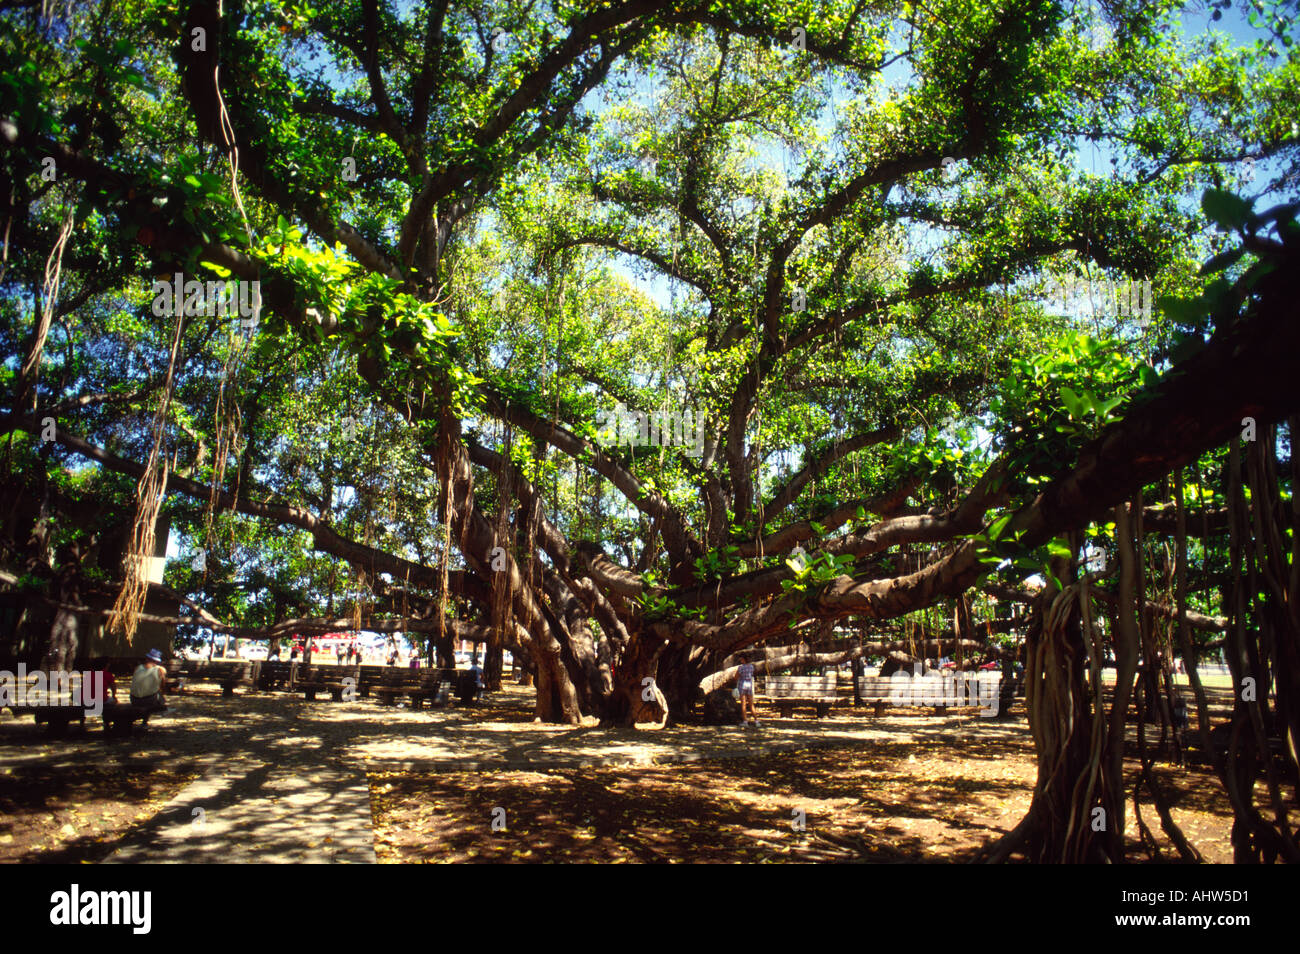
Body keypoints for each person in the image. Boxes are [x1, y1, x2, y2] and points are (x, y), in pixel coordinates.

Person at [130, 649, 168, 722]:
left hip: (134, 699)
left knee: (150, 694)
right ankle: (145, 720)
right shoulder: (160, 669)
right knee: (159, 696)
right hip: (149, 700)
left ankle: (143, 718)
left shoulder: (138, 668)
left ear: (147, 659)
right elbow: (163, 686)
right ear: (157, 661)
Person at [734, 653, 758, 728]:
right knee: (751, 704)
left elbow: (736, 677)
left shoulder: (740, 667)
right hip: (749, 686)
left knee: (743, 704)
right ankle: (756, 721)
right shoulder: (751, 667)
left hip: (742, 685)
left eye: (741, 658)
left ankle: (745, 721)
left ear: (743, 659)